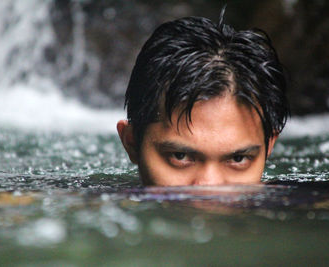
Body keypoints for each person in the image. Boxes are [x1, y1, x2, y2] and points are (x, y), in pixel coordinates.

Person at [117, 10, 289, 186]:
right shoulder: (96, 204)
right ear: (131, 142)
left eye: (238, 159)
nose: (209, 189)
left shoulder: (307, 204)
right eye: (179, 156)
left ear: (269, 145)